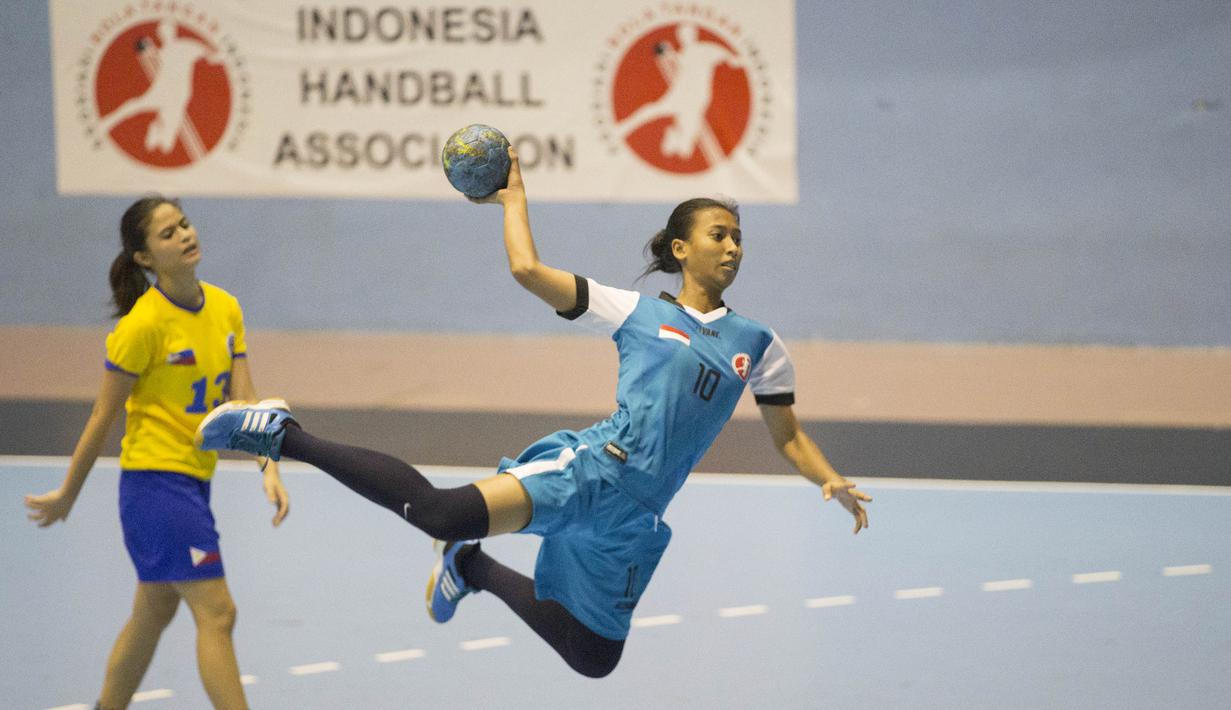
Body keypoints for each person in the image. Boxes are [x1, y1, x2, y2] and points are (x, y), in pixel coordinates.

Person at [196, 149, 870, 678]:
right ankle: (285, 434)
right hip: (588, 472)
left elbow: (788, 436)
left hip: (634, 517)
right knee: (437, 512)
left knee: (592, 656)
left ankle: (472, 569)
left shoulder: (759, 345)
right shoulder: (639, 313)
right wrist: (513, 199)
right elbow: (527, 269)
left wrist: (826, 478)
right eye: (718, 235)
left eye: (738, 238)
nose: (732, 247)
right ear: (679, 249)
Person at [24, 196, 289, 710]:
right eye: (167, 234)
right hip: (155, 485)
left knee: (155, 608)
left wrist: (269, 468)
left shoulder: (226, 307)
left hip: (193, 480)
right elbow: (102, 418)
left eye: (184, 224)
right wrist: (67, 496)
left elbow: (248, 404)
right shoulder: (141, 327)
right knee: (218, 613)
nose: (185, 235)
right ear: (144, 258)